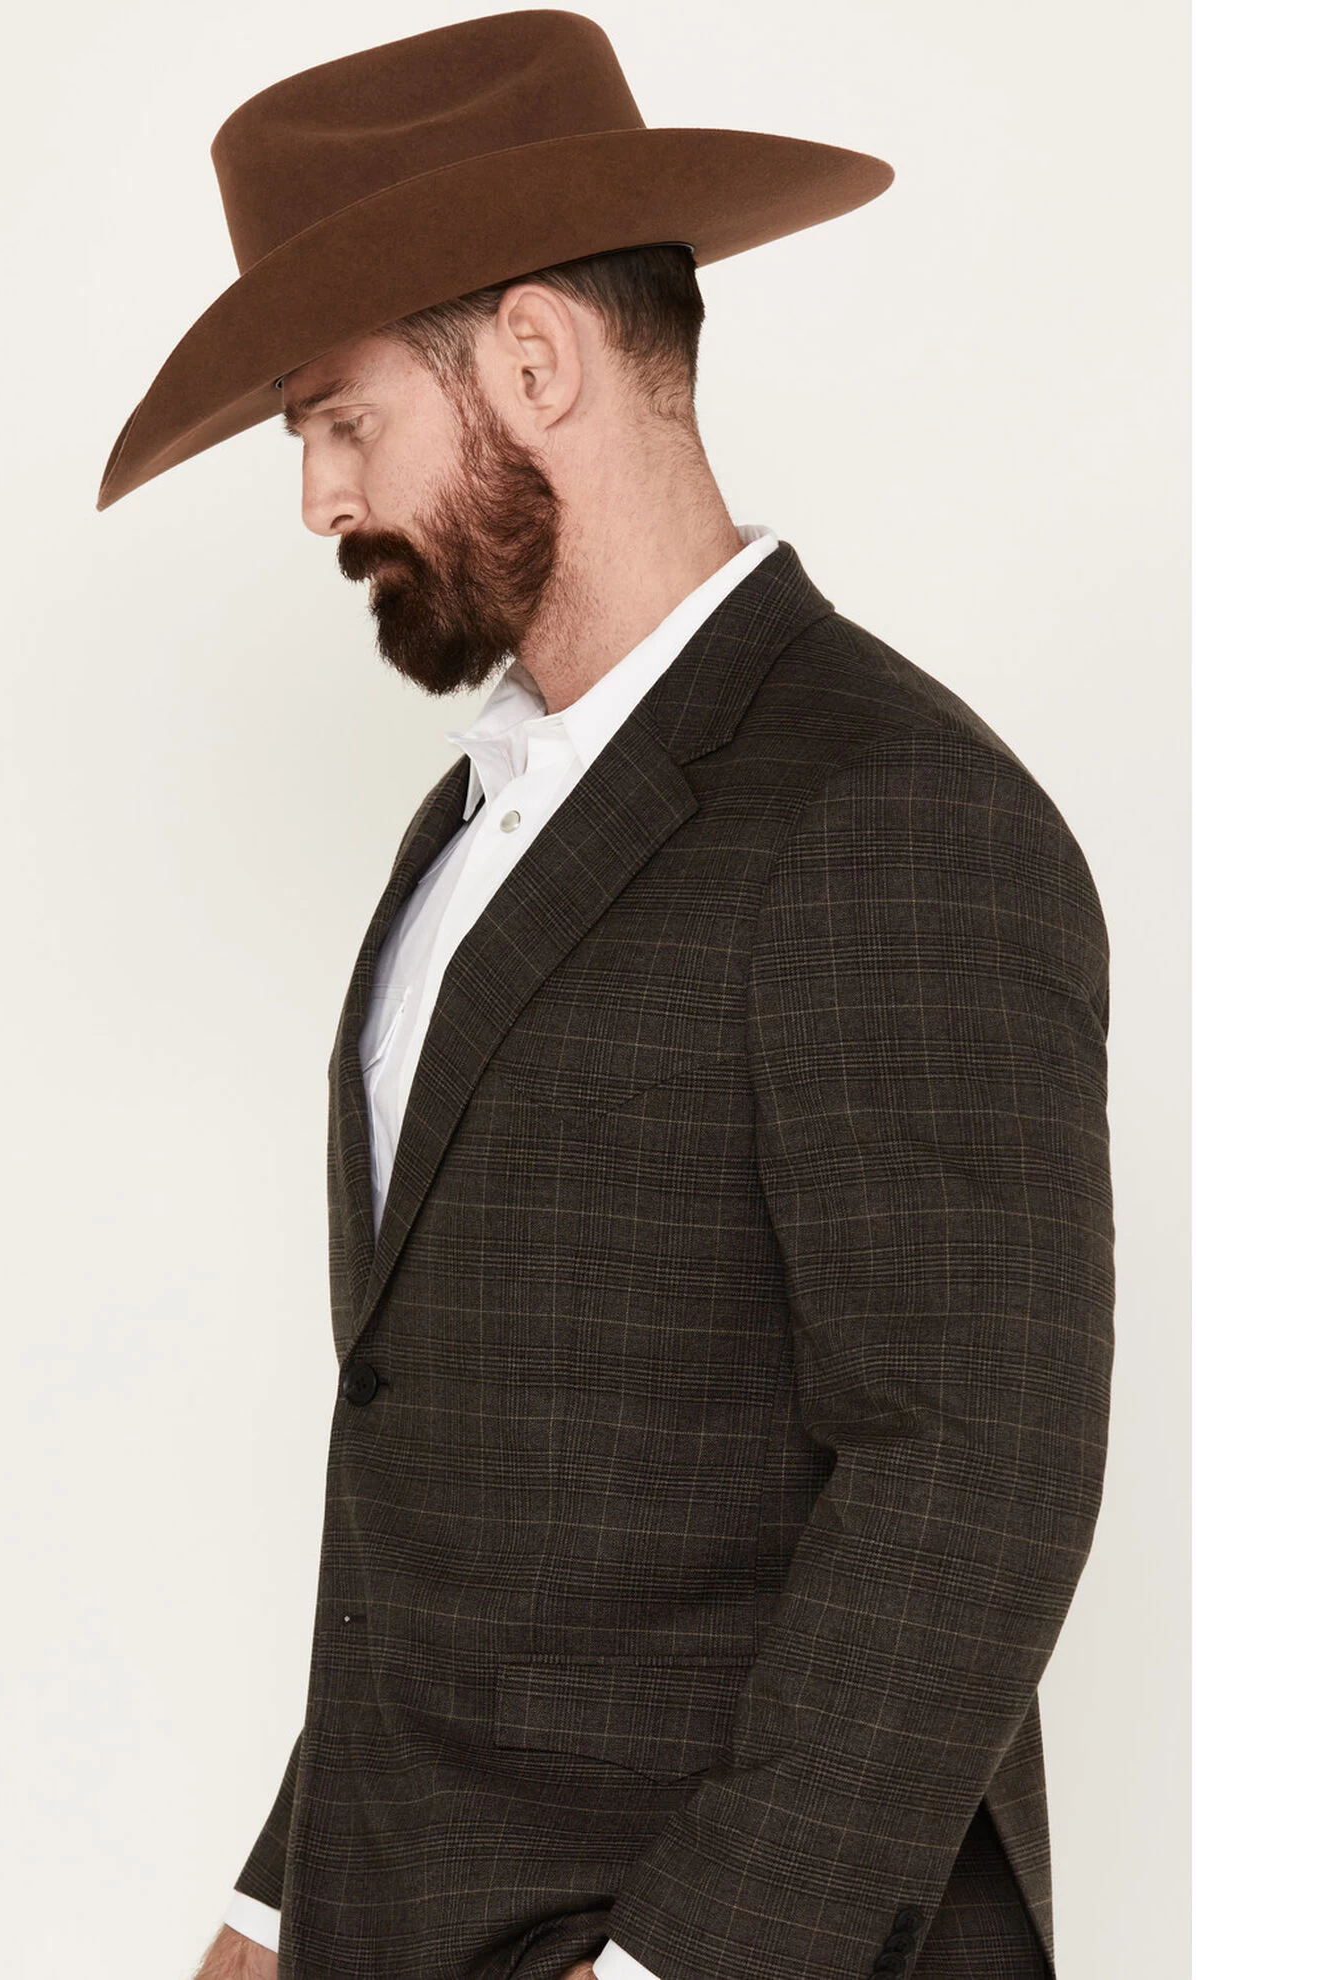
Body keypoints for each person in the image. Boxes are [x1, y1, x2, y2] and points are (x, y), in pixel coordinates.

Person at [97, 15, 1115, 1980]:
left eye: (338, 420)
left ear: (535, 362)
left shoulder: (893, 813)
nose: (315, 499)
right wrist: (278, 1899)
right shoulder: (470, 829)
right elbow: (471, 1463)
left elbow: (968, 1484)